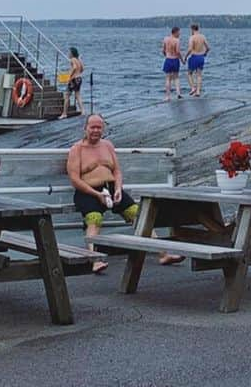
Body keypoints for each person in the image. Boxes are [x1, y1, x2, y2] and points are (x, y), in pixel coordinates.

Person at [66, 114, 182, 272]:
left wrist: (119, 188)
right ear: (85, 128)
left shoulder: (107, 145)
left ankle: (163, 254)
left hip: (112, 187)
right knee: (94, 218)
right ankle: (95, 260)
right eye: (92, 127)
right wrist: (96, 194)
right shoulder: (77, 149)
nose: (95, 130)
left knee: (137, 214)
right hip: (88, 190)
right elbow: (74, 179)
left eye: (99, 127)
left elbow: (117, 171)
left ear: (103, 129)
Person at [60, 47, 84, 119]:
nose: (68, 54)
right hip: (79, 78)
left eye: (69, 52)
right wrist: (78, 73)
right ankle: (83, 111)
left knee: (67, 96)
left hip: (73, 80)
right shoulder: (78, 60)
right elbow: (82, 68)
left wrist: (69, 76)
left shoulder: (72, 59)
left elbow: (74, 67)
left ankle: (64, 113)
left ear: (72, 53)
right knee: (78, 95)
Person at [186, 23, 210, 97]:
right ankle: (198, 91)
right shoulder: (202, 37)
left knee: (189, 73)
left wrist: (185, 56)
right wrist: (205, 53)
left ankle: (193, 88)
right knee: (199, 75)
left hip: (194, 57)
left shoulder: (192, 37)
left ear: (192, 29)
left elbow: (190, 49)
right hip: (201, 57)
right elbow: (208, 48)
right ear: (198, 28)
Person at [161, 26, 184, 101]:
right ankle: (178, 93)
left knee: (168, 79)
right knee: (176, 78)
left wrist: (166, 55)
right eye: (179, 32)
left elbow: (163, 50)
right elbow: (178, 52)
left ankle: (168, 96)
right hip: (175, 60)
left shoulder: (165, 39)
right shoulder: (177, 40)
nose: (179, 34)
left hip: (168, 59)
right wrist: (182, 60)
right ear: (176, 32)